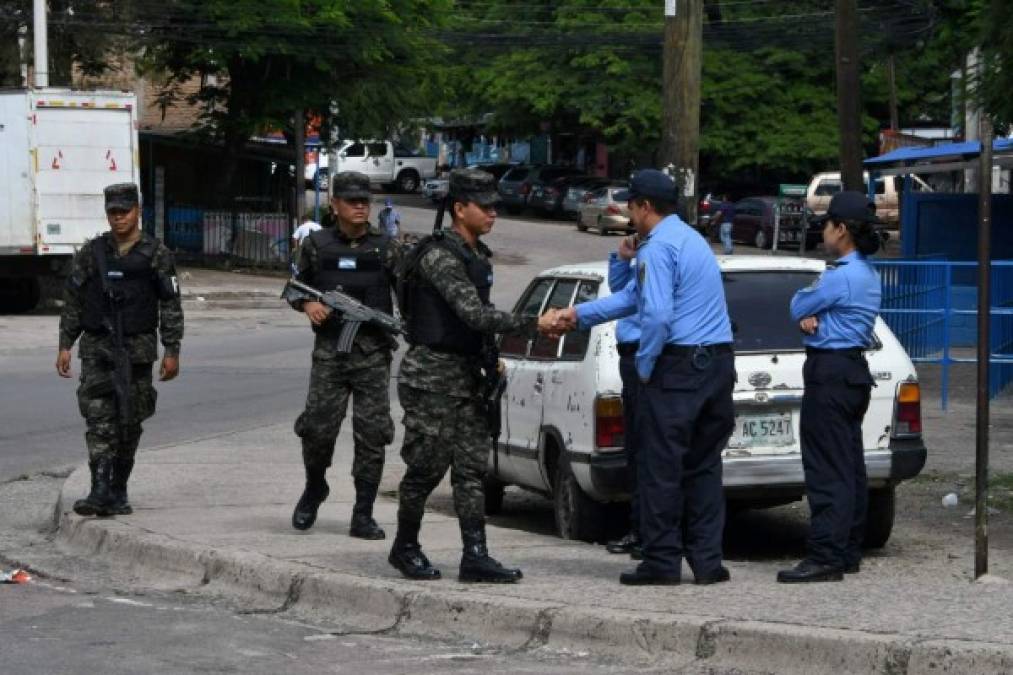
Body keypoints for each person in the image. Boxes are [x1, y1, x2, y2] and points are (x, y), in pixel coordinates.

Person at [540, 169, 735, 586]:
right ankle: (707, 561)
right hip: (717, 365)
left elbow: (657, 314)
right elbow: (634, 297)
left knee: (660, 467)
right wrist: (578, 315)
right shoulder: (692, 240)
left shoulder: (657, 248)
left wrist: (646, 365)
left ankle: (662, 561)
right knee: (703, 465)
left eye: (631, 205)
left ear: (645, 207)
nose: (629, 213)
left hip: (678, 367)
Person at [389, 168, 537, 583]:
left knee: (472, 469)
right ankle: (405, 546)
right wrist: (535, 324)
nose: (493, 214)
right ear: (459, 209)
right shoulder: (440, 256)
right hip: (433, 378)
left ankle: (475, 555)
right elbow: (473, 315)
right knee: (425, 467)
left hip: (469, 377)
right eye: (484, 207)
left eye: (495, 207)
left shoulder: (475, 256)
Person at [56, 183, 183, 517]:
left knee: (130, 421)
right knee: (98, 418)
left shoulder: (156, 254)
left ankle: (118, 490)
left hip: (137, 350)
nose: (118, 218)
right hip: (97, 347)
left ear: (138, 211)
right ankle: (98, 490)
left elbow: (170, 305)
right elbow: (74, 301)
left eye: (124, 211)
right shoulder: (92, 253)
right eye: (113, 212)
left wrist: (172, 349)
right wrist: (65, 344)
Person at [288, 171, 401, 539]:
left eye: (364, 201)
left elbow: (409, 297)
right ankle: (314, 486)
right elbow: (292, 287)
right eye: (351, 201)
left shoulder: (387, 248)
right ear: (334, 205)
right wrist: (308, 303)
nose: (359, 207)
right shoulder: (316, 245)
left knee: (372, 434)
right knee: (317, 430)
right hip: (330, 355)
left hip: (372, 354)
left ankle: (363, 512)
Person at [777, 191, 882, 583]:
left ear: (841, 230)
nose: (823, 231)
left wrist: (809, 310)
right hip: (851, 371)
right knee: (850, 466)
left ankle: (826, 555)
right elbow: (809, 310)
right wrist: (813, 312)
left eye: (826, 224)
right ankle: (847, 548)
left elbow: (796, 305)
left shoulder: (841, 275)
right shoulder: (867, 273)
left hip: (831, 373)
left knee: (827, 470)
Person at [603, 235, 643, 560]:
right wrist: (623, 258)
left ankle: (647, 533)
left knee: (646, 451)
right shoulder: (641, 258)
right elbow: (619, 288)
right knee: (636, 450)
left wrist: (576, 315)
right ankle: (641, 528)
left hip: (645, 356)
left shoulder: (660, 258)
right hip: (631, 358)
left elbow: (627, 302)